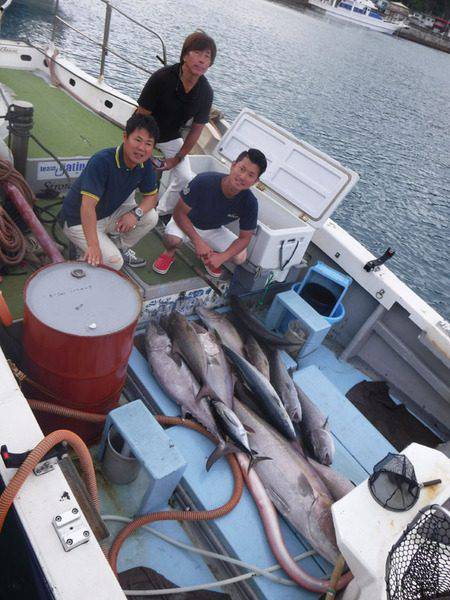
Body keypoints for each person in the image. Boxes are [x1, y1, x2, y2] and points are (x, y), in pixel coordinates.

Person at [62, 114, 159, 270]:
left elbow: (151, 197)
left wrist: (135, 215)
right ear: (125, 136)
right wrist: (93, 246)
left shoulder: (144, 164)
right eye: (138, 140)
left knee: (150, 216)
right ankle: (84, 253)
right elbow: (87, 207)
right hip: (77, 220)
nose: (142, 148)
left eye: (148, 143)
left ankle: (118, 247)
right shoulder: (102, 161)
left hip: (108, 215)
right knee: (114, 262)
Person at [152, 148, 267, 278]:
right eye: (242, 169)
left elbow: (245, 238)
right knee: (172, 240)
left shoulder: (250, 202)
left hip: (213, 229)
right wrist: (198, 242)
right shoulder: (204, 181)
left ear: (256, 181)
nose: (243, 177)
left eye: (250, 175)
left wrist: (222, 257)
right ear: (233, 165)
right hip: (186, 222)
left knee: (240, 256)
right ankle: (169, 253)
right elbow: (178, 213)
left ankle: (210, 258)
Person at [136, 30, 216, 214]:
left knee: (186, 177)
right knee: (134, 168)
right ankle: (125, 204)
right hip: (144, 131)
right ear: (185, 55)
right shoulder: (162, 77)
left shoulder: (205, 92)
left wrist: (177, 158)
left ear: (210, 64)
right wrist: (144, 147)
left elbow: (196, 130)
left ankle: (160, 211)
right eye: (197, 53)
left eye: (207, 56)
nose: (202, 60)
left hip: (171, 136)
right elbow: (141, 116)